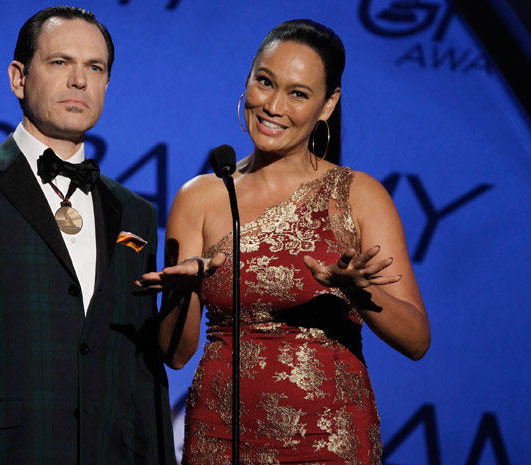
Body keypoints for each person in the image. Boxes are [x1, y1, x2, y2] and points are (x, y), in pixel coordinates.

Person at [138, 19, 430, 464]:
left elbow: (417, 341)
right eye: (265, 82)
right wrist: (183, 291)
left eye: (298, 93)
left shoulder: (359, 195)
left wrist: (358, 290)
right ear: (249, 80)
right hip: (220, 438)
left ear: (327, 105)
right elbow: (175, 355)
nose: (273, 105)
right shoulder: (200, 197)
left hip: (327, 439)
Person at [0, 6, 175, 465]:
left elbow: (139, 373)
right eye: (60, 62)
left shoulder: (135, 214)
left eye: (95, 67)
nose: (79, 81)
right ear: (18, 77)